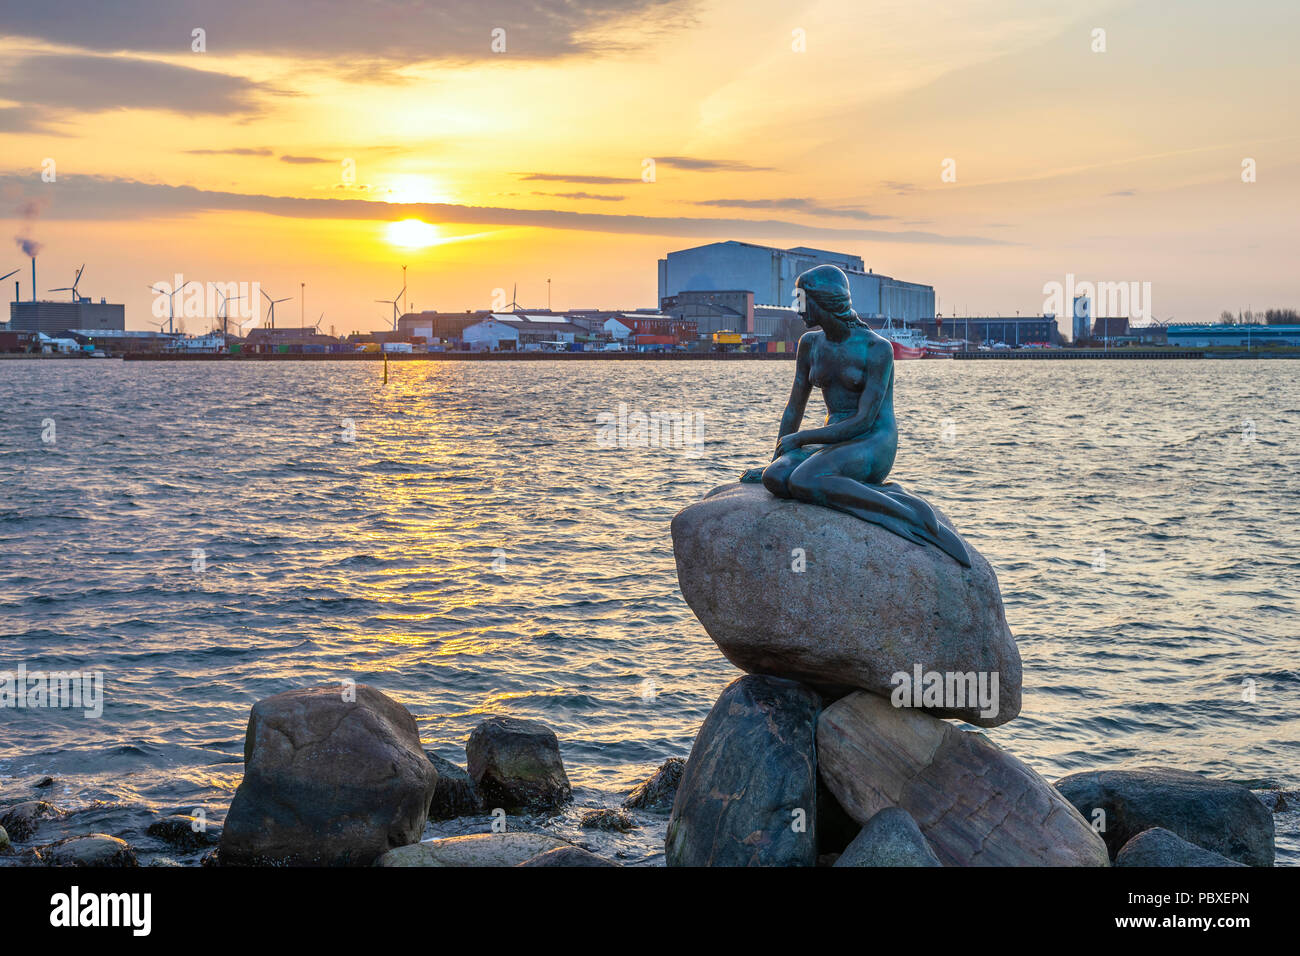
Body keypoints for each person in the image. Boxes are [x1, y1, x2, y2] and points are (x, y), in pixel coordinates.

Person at [740, 264, 970, 567]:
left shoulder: (877, 349)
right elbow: (794, 408)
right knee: (777, 478)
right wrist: (775, 459)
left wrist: (802, 439)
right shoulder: (810, 344)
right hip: (832, 441)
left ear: (826, 301)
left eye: (803, 301)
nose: (798, 310)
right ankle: (862, 490)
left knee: (806, 479)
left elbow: (863, 421)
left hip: (872, 441)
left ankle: (911, 512)